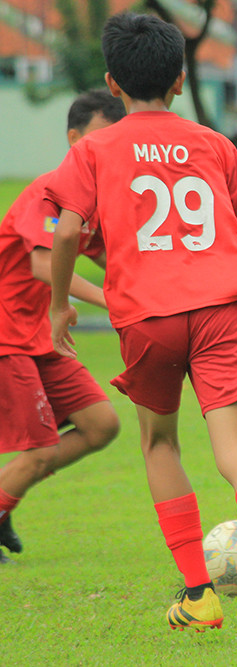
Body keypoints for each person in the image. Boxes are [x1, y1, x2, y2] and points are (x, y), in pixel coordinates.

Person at [45, 12, 237, 655]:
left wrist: (56, 309)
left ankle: (197, 595)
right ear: (181, 80)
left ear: (111, 83)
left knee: (160, 444)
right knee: (235, 450)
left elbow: (67, 232)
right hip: (219, 310)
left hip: (147, 316)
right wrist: (236, 294)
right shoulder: (214, 144)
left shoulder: (93, 149)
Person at [0, 89, 125, 564]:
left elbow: (113, 259)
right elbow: (41, 264)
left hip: (40, 336)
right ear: (73, 139)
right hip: (8, 337)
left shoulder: (96, 201)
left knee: (101, 425)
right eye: (97, 140)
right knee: (39, 452)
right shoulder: (50, 190)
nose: (105, 151)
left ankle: (5, 501)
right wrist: (111, 301)